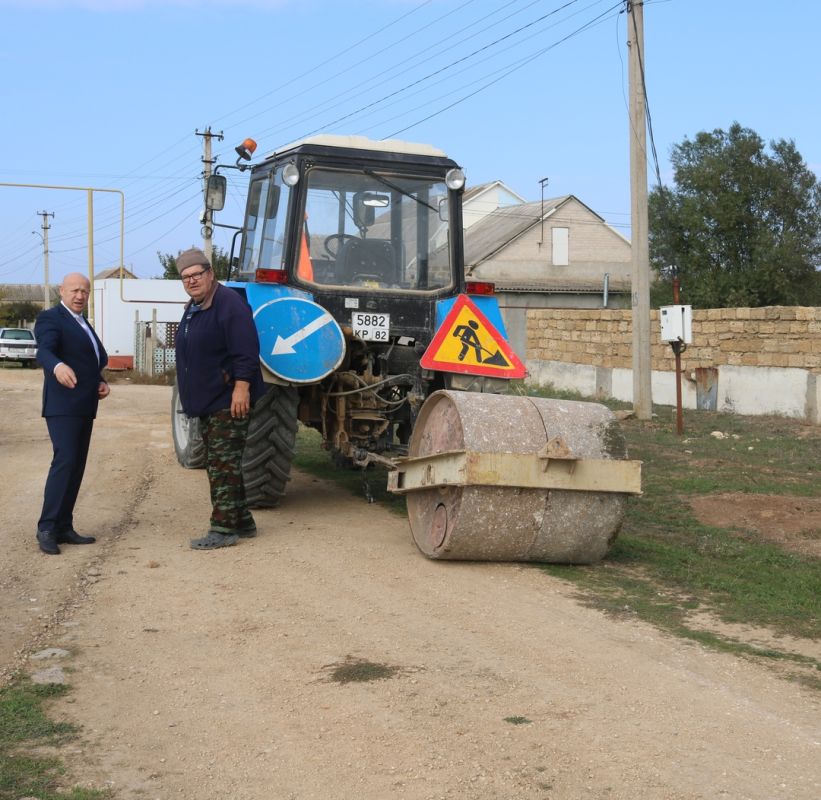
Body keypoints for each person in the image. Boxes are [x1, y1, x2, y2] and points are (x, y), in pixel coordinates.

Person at [174, 247, 265, 550]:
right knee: (222, 463)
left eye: (197, 274)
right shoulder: (196, 305)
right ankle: (243, 521)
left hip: (228, 400)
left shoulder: (230, 304)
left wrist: (242, 387)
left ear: (210, 273)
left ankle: (223, 529)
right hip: (209, 400)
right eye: (186, 277)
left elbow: (247, 351)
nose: (191, 281)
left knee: (221, 465)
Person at [34, 273, 110, 555]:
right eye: (75, 290)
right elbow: (44, 350)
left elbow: (91, 360)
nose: (80, 296)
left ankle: (64, 526)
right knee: (64, 461)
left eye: (85, 291)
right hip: (62, 406)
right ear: (61, 291)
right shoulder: (51, 318)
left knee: (76, 466)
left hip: (84, 406)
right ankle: (47, 527)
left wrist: (101, 381)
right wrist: (57, 367)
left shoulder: (82, 323)